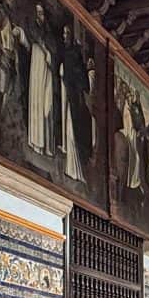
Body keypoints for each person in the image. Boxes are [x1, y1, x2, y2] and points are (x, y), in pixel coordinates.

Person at [15, 4, 56, 156]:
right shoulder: (33, 31)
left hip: (44, 67)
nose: (40, 15)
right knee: (36, 100)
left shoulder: (48, 34)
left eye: (42, 13)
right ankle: (36, 142)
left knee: (45, 101)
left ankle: (44, 143)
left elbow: (52, 48)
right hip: (36, 64)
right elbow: (29, 41)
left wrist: (48, 51)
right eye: (38, 12)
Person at [59, 25, 91, 182]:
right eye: (63, 34)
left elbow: (80, 80)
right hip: (69, 96)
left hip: (73, 98)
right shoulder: (66, 54)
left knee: (74, 130)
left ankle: (75, 167)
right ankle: (72, 166)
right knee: (70, 129)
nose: (64, 36)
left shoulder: (73, 55)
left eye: (67, 34)